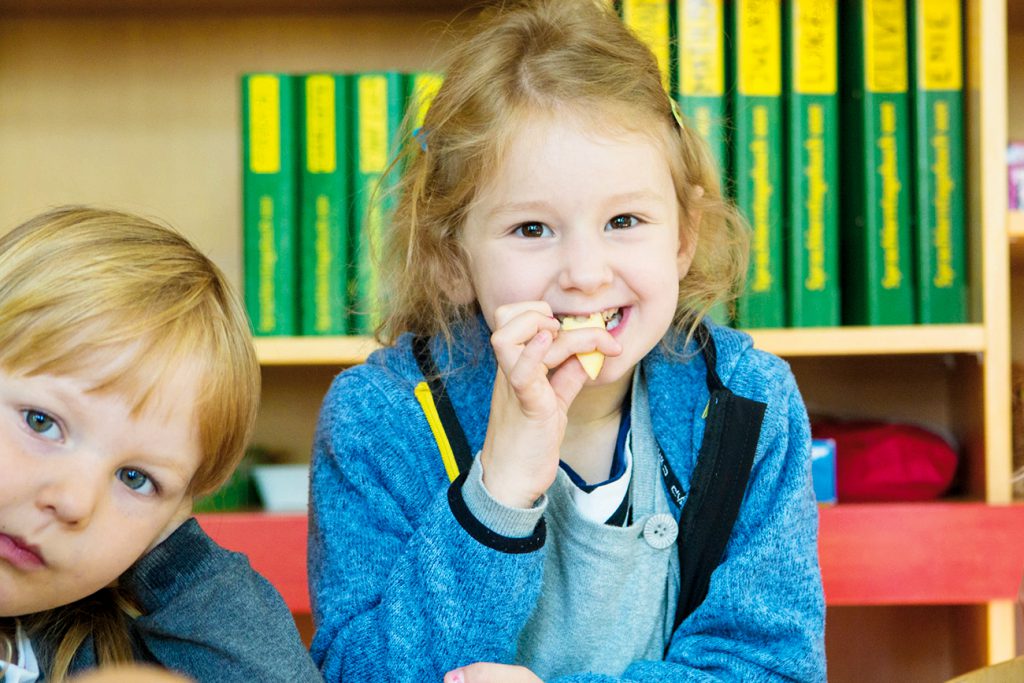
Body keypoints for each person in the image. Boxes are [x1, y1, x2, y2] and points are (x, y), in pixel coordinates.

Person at [308, 0, 825, 680]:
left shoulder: (749, 404)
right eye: (531, 229)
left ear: (684, 235)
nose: (585, 274)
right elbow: (357, 673)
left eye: (625, 219)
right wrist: (498, 492)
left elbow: (775, 666)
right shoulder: (379, 419)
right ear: (452, 259)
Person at [0, 207, 322, 683]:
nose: (72, 502)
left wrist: (173, 557)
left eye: (136, 478)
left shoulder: (111, 657)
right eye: (41, 422)